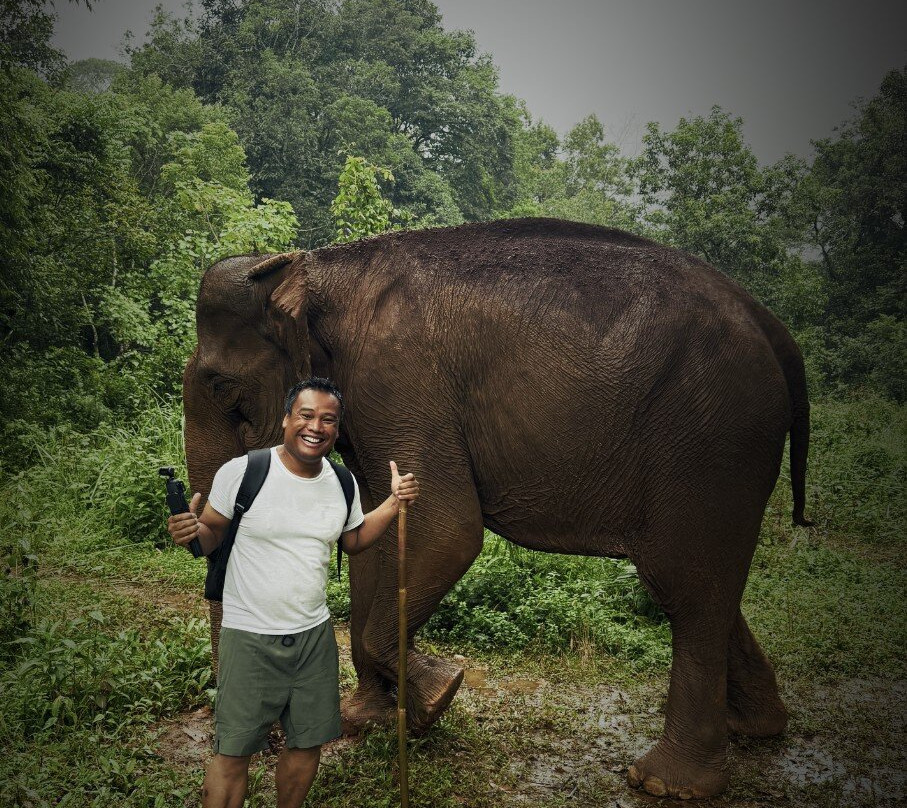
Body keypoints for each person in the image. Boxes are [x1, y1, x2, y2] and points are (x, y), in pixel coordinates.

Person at [167, 376, 419, 808]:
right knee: (234, 751)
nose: (316, 427)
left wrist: (394, 503)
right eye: (306, 415)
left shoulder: (341, 482)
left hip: (313, 638)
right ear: (286, 419)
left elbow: (354, 539)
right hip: (249, 636)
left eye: (328, 420)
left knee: (307, 744)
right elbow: (210, 534)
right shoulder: (243, 471)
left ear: (336, 429)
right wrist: (190, 531)